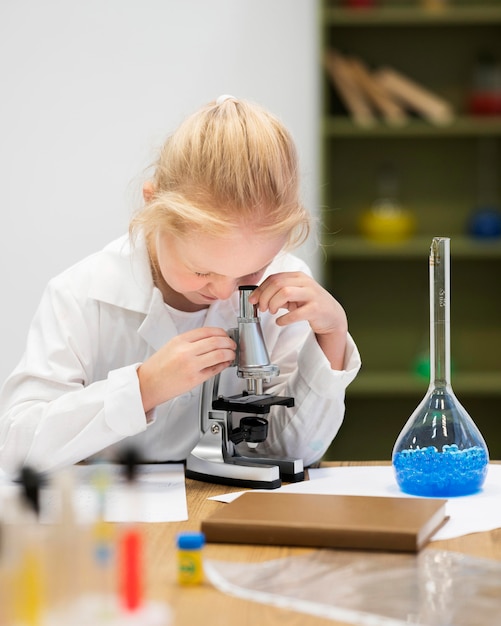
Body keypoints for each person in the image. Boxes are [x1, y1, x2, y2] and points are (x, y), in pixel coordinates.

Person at [0, 96, 361, 476]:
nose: (224, 293)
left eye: (248, 274)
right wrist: (143, 389)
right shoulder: (80, 296)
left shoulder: (284, 286)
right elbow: (15, 448)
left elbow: (293, 451)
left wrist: (332, 338)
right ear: (153, 208)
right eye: (202, 271)